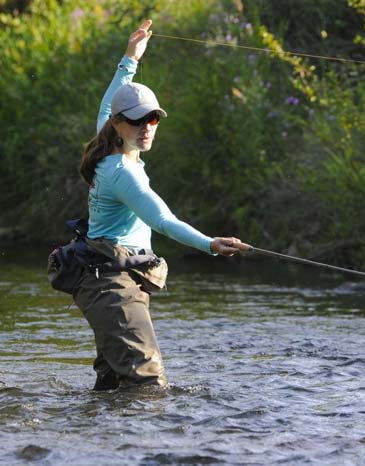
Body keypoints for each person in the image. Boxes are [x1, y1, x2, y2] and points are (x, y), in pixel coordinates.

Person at [76, 19, 249, 391]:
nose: (147, 127)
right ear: (120, 125)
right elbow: (162, 219)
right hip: (111, 283)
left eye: (153, 118)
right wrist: (210, 244)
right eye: (138, 121)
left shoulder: (109, 139)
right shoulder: (122, 171)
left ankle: (99, 443)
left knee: (115, 385)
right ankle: (143, 449)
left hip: (115, 276)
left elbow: (109, 100)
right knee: (148, 382)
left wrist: (130, 58)